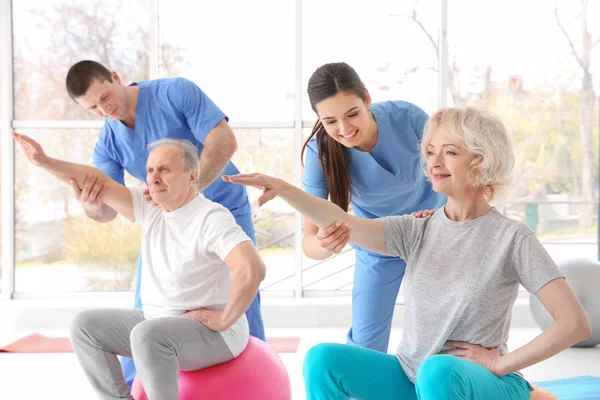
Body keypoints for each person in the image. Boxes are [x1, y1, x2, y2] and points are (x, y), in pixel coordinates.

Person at [224, 107, 592, 400]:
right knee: (323, 359)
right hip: (413, 379)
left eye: (450, 152)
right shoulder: (417, 228)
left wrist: (500, 364)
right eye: (430, 151)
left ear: (481, 162)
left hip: (475, 384)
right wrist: (285, 189)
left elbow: (574, 323)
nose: (434, 162)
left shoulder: (513, 238)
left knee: (439, 370)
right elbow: (342, 220)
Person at [14, 133, 266, 400]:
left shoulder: (211, 218)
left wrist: (225, 319)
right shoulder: (151, 208)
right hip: (158, 322)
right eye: (150, 170)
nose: (154, 178)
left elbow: (252, 268)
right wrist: (44, 162)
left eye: (165, 170)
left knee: (147, 335)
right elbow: (95, 180)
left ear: (192, 177)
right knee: (85, 326)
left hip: (214, 335)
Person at [64, 60, 265, 385]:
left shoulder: (175, 92)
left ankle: (254, 382)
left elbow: (224, 141)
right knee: (149, 305)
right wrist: (91, 206)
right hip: (168, 222)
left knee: (243, 297)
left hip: (221, 205)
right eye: (93, 108)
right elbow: (108, 211)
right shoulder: (109, 142)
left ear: (115, 77)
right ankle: (135, 387)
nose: (104, 109)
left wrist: (186, 195)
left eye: (105, 97)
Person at [300, 62, 445, 353]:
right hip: (378, 243)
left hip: (436, 232)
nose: (344, 129)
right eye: (330, 121)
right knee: (365, 345)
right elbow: (309, 241)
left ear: (367, 98)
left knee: (444, 335)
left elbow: (455, 168)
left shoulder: (408, 118)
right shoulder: (321, 152)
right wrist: (327, 244)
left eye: (352, 114)